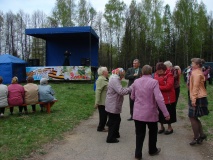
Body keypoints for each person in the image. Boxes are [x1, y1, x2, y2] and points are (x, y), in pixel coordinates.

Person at [131, 65, 170, 159]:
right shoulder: (154, 82)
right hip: (150, 112)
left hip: (138, 113)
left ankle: (138, 153)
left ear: (142, 72)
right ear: (151, 72)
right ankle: (152, 150)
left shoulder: (136, 81)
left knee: (139, 134)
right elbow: (159, 99)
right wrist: (166, 113)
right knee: (152, 132)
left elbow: (132, 97)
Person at [105, 68, 132, 143]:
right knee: (114, 120)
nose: (122, 77)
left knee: (115, 119)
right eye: (122, 75)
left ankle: (115, 134)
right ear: (118, 73)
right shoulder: (115, 79)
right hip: (113, 103)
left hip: (112, 102)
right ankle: (110, 138)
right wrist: (130, 88)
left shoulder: (114, 78)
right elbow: (120, 91)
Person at [188, 58, 209, 145]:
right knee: (195, 117)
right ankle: (202, 135)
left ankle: (196, 137)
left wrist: (193, 99)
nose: (192, 65)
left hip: (197, 97)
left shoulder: (196, 73)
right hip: (198, 96)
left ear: (197, 65)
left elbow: (195, 87)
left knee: (192, 117)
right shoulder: (198, 71)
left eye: (193, 63)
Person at [154, 62, 176, 135]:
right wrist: (162, 84)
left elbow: (168, 86)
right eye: (158, 70)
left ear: (164, 69)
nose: (159, 72)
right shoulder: (155, 75)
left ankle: (170, 127)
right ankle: (161, 127)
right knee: (159, 113)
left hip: (169, 98)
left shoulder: (169, 75)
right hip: (159, 98)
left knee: (169, 113)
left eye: (161, 70)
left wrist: (158, 87)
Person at [94, 67, 109, 132]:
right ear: (103, 72)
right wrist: (97, 102)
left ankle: (103, 126)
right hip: (102, 102)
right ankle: (100, 128)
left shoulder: (105, 79)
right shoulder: (100, 80)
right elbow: (98, 91)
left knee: (105, 115)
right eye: (107, 70)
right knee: (103, 116)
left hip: (105, 101)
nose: (108, 71)